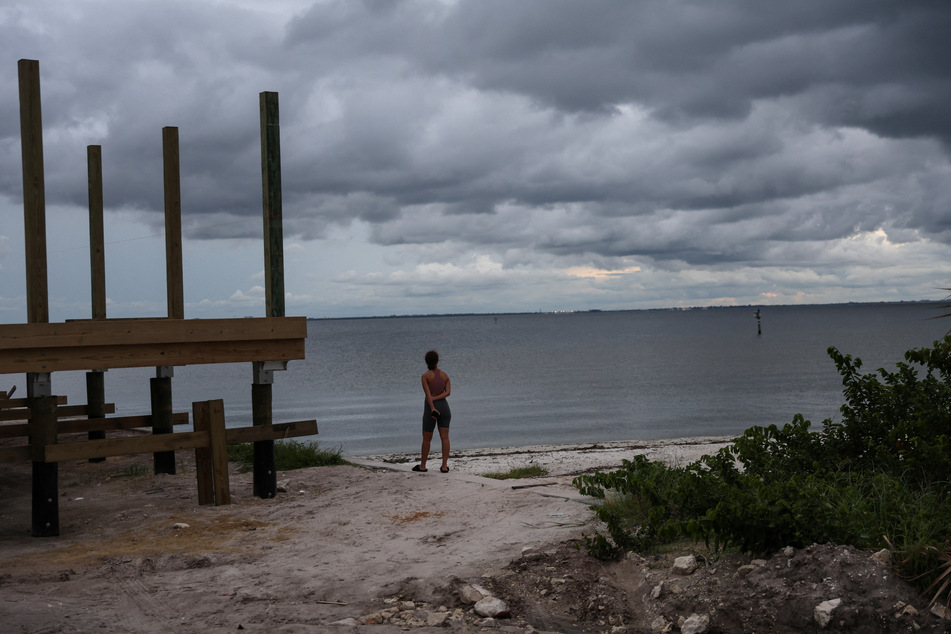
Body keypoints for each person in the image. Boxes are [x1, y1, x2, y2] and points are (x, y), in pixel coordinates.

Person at [413, 349, 451, 473]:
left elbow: (428, 394)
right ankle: (444, 466)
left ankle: (423, 465)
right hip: (445, 408)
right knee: (445, 437)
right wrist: (437, 398)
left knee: (426, 438)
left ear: (426, 362)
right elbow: (448, 393)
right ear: (437, 361)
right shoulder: (444, 375)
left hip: (431, 409)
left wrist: (433, 407)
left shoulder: (425, 376)